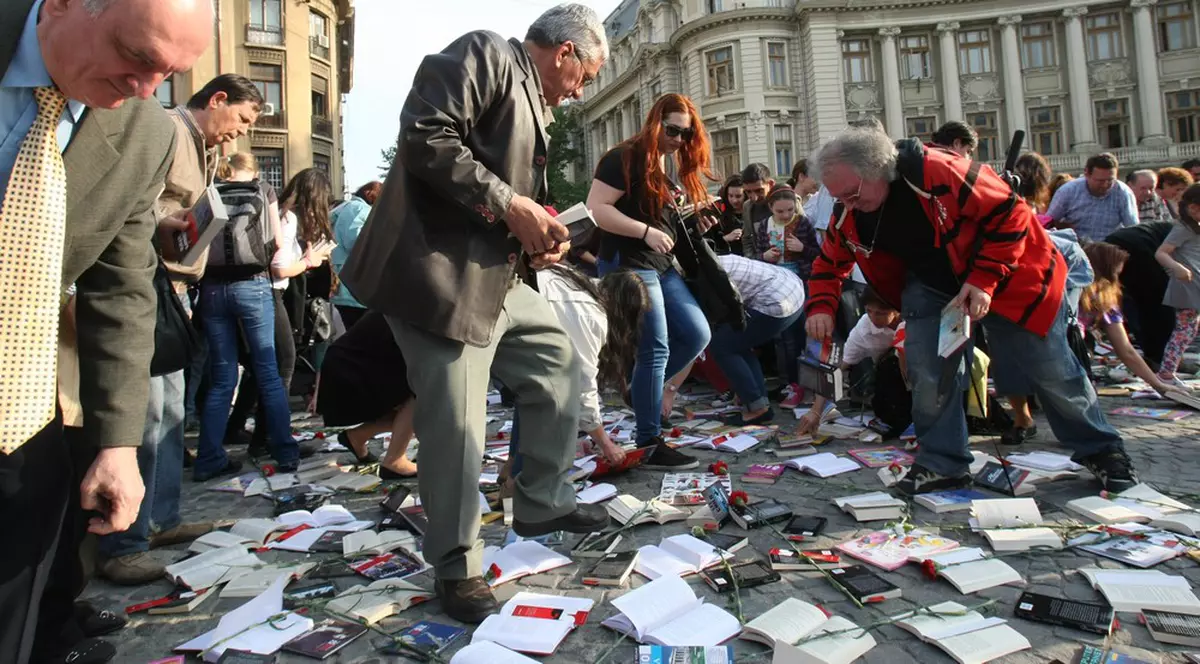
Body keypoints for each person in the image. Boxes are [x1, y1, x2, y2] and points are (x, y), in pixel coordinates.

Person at [341, 4, 610, 623]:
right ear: (564, 53)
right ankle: (457, 566)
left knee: (558, 365)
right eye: (584, 77)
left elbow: (510, 193)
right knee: (457, 426)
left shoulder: (535, 101)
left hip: (501, 276)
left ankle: (543, 501)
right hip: (440, 277)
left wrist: (542, 227)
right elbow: (426, 133)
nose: (578, 93)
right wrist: (510, 203)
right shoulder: (487, 51)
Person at [0, 1, 211, 662]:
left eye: (170, 74)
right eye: (138, 57)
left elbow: (120, 289)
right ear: (63, 4)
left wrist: (119, 442)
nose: (147, 90)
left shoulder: (145, 133)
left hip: (20, 414)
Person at [805, 127, 1137, 496]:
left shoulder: (939, 170)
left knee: (1050, 367)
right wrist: (821, 306)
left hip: (1010, 278)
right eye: (839, 197)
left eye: (853, 193)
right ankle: (941, 462)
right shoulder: (848, 211)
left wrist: (982, 280)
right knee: (928, 373)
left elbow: (1011, 213)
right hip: (931, 287)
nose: (848, 203)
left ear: (878, 169)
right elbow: (828, 264)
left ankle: (1103, 451)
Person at [95, 74, 263, 586]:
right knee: (142, 411)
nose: (236, 136)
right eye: (240, 121)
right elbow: (128, 201)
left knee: (169, 409)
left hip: (174, 288)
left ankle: (161, 519)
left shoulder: (200, 145)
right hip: (141, 285)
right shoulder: (166, 130)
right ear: (217, 101)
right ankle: (124, 540)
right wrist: (168, 222)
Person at [588, 92, 721, 470]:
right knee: (656, 349)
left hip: (660, 263)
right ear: (655, 122)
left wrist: (693, 223)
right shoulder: (624, 156)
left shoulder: (662, 166)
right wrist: (645, 231)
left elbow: (662, 224)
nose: (678, 139)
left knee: (697, 333)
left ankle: (640, 390)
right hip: (628, 263)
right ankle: (649, 441)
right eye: (672, 130)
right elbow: (596, 210)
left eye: (685, 134)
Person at [193, 154, 307, 481]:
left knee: (222, 378)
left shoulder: (209, 191)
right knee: (268, 372)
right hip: (254, 285)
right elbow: (277, 244)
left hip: (213, 289)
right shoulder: (263, 191)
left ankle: (208, 458)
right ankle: (284, 452)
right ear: (254, 170)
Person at [314, 311, 416, 479]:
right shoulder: (417, 304)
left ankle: (357, 437)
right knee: (424, 395)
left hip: (347, 367)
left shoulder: (406, 297)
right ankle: (395, 460)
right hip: (353, 374)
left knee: (420, 400)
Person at [709, 254, 806, 425]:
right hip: (793, 287)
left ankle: (757, 407)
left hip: (778, 300)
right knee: (737, 343)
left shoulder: (701, 281)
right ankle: (758, 402)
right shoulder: (710, 260)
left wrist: (670, 390)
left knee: (721, 346)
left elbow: (697, 338)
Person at [797, 288, 907, 436]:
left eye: (880, 313)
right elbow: (835, 370)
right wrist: (815, 411)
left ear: (896, 311)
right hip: (889, 374)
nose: (873, 318)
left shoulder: (912, 321)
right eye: (869, 311)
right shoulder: (864, 329)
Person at [1077, 243, 1176, 395]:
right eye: (1116, 274)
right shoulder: (1102, 298)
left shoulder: (1069, 285)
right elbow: (1125, 350)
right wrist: (1158, 385)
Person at [756, 185, 819, 408]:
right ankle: (788, 382)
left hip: (800, 282)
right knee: (782, 337)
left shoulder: (803, 223)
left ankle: (803, 384)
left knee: (800, 335)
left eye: (790, 211)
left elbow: (817, 255)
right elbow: (757, 255)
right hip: (776, 284)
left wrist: (803, 248)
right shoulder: (765, 225)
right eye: (780, 211)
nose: (785, 216)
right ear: (771, 208)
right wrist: (763, 256)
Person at [1106, 221, 1177, 368]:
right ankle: (1159, 360)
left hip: (1112, 245)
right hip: (1140, 248)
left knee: (1140, 302)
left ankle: (1153, 357)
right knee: (1161, 304)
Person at [1155, 184, 1200, 388]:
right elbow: (1161, 253)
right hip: (1187, 287)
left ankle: (1167, 371)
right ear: (1194, 208)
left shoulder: (1195, 227)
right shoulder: (1183, 228)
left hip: (1195, 285)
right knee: (1184, 331)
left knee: (1188, 331)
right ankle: (1166, 373)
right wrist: (1177, 267)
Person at [1045, 152, 1139, 242]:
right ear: (1087, 174)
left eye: (1110, 180)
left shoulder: (1123, 192)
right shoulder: (1067, 191)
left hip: (1110, 249)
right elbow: (1048, 222)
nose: (1106, 185)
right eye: (1100, 181)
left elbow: (1132, 228)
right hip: (1076, 248)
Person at [331, 180, 383, 329]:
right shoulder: (361, 208)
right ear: (369, 194)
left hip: (342, 279)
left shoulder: (345, 207)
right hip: (354, 282)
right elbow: (356, 241)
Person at [707, 174, 745, 255]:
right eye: (730, 196)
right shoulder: (719, 213)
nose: (734, 200)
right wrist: (726, 238)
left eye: (738, 196)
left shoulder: (751, 211)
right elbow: (709, 242)